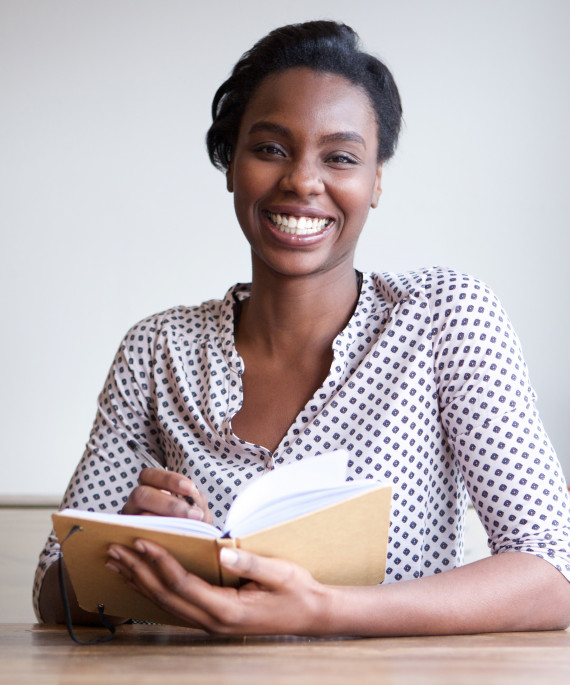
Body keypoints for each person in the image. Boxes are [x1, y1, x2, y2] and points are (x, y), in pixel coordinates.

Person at [34, 20, 570, 636]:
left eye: (340, 157)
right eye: (270, 149)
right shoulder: (156, 351)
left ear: (374, 182)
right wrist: (122, 554)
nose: (302, 181)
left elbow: (552, 573)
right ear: (230, 165)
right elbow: (53, 592)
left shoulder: (445, 318)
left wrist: (322, 608)